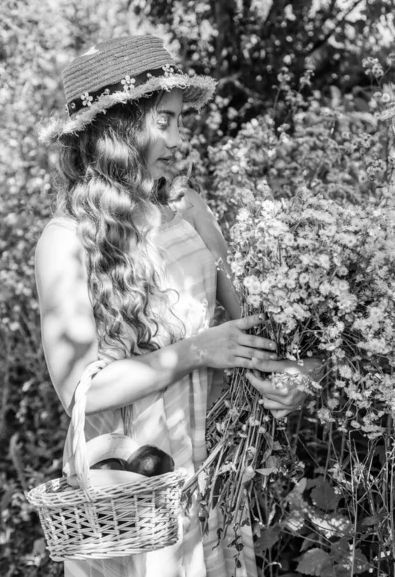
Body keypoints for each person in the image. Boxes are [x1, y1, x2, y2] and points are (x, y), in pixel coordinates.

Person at [35, 34, 319, 577]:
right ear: (117, 131)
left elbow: (247, 333)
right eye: (164, 120)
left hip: (211, 474)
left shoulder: (189, 213)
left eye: (179, 120)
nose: (179, 136)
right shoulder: (66, 240)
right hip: (133, 490)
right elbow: (80, 391)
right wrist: (193, 352)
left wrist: (290, 381)